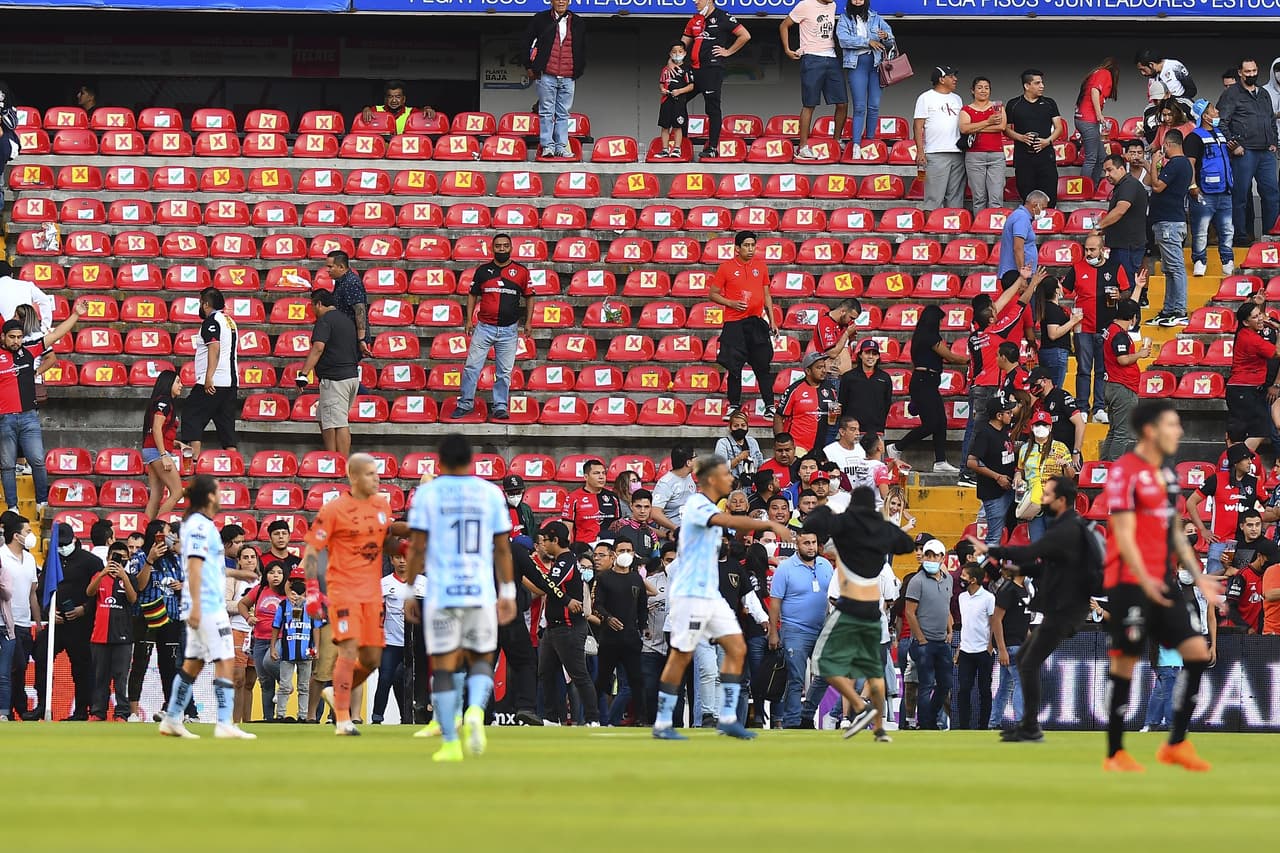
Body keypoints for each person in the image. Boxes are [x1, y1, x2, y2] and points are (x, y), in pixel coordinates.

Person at [1098, 399, 1221, 772]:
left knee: (1198, 652)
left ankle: (1176, 744)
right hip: (1129, 582)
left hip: (1161, 581)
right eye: (1172, 425)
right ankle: (1116, 752)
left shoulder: (1167, 475)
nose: (1179, 432)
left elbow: (1174, 531)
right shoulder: (1125, 472)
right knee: (1126, 663)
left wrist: (1198, 574)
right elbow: (1123, 533)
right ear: (1151, 430)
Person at [652, 455, 794, 740]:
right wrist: (769, 525)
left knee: (737, 649)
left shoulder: (716, 511)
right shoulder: (695, 505)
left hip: (711, 594)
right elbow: (724, 519)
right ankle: (663, 721)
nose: (730, 479)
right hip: (692, 593)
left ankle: (727, 717)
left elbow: (733, 527)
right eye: (725, 475)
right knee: (681, 657)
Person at [969, 476, 1093, 742]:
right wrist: (1019, 569)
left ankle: (1030, 727)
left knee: (1027, 661)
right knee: (1027, 661)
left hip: (1067, 607)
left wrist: (992, 549)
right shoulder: (1065, 527)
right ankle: (1028, 725)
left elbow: (1031, 552)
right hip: (1064, 605)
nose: (1042, 499)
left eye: (1047, 495)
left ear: (1061, 501)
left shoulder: (1066, 529)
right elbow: (1042, 565)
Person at [301, 453, 408, 736]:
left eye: (378, 473)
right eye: (371, 474)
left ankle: (337, 693)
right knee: (348, 650)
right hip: (342, 589)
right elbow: (312, 549)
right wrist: (312, 589)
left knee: (372, 658)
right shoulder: (334, 509)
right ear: (355, 477)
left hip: (372, 593)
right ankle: (342, 718)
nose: (378, 478)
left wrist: (410, 542)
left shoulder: (381, 504)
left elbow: (385, 539)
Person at [804, 486, 913, 741]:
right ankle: (879, 729)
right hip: (873, 612)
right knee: (874, 670)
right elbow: (906, 544)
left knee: (822, 662)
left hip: (850, 607)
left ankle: (859, 706)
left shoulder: (845, 528)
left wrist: (830, 509)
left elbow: (812, 522)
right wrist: (882, 527)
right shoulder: (880, 534)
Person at [156, 477, 253, 739]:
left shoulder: (200, 525)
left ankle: (173, 718)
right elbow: (196, 565)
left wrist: (238, 574)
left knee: (193, 664)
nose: (221, 496)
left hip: (203, 602)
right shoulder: (200, 526)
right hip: (207, 603)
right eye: (218, 492)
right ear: (209, 497)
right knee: (226, 658)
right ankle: (224, 722)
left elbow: (208, 565)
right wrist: (197, 605)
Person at [0, 303, 85, 515]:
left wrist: (75, 315)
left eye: (19, 337)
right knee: (8, 465)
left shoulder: (29, 350)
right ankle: (12, 507)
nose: (16, 341)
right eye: (12, 337)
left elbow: (56, 334)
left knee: (37, 460)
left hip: (29, 417)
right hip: (4, 419)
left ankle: (42, 503)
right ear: (3, 337)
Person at [958, 267, 1038, 485]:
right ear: (992, 317)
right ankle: (968, 472)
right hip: (989, 387)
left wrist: (1020, 279)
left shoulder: (975, 331)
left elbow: (1001, 302)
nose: (997, 309)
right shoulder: (996, 333)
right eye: (993, 310)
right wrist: (1030, 284)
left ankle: (972, 470)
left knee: (978, 428)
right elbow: (1019, 307)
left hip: (976, 386)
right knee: (981, 429)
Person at [453, 234, 533, 422]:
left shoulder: (521, 271)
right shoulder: (482, 271)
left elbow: (530, 296)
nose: (502, 249)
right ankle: (465, 404)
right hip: (484, 328)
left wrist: (528, 322)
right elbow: (472, 295)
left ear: (511, 248)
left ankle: (500, 407)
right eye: (498, 246)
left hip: (509, 330)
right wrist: (468, 320)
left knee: (504, 372)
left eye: (505, 246)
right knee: (472, 367)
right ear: (493, 248)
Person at [1060, 233, 1137, 420]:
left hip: (1106, 328)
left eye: (1092, 249)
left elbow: (1127, 290)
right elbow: (1062, 291)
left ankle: (1100, 408)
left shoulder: (1115, 267)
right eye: (1086, 249)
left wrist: (1120, 296)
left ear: (1103, 250)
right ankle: (1082, 408)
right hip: (1082, 327)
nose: (1088, 253)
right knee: (1084, 369)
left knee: (1103, 370)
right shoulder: (1077, 268)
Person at [531, 521, 600, 726]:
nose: (543, 545)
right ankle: (552, 717)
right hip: (554, 627)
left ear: (555, 540)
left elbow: (548, 585)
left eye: (545, 540)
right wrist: (565, 599)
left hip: (568, 627)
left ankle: (593, 719)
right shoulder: (563, 561)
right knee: (546, 673)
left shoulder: (565, 561)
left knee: (579, 674)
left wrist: (526, 571)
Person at [889, 304, 969, 472]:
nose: (940, 324)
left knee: (941, 421)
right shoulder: (929, 336)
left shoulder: (920, 334)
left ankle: (940, 461)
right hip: (924, 381)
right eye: (939, 321)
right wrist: (970, 361)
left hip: (928, 381)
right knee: (932, 423)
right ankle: (897, 447)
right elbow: (950, 356)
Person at [28, 523, 96, 720]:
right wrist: (48, 611)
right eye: (60, 544)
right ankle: (42, 705)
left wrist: (84, 609)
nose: (63, 547)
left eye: (66, 544)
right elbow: (41, 591)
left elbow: (100, 591)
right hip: (56, 623)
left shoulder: (90, 562)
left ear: (75, 540)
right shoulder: (51, 560)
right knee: (41, 655)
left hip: (80, 625)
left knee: (81, 667)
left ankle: (82, 710)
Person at [767, 531, 834, 729]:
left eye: (814, 542)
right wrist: (773, 631)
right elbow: (775, 602)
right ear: (797, 544)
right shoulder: (785, 568)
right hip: (794, 629)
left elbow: (833, 595)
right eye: (806, 543)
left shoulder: (825, 565)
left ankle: (807, 715)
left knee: (826, 673)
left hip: (822, 629)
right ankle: (792, 722)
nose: (811, 547)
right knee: (796, 677)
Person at [125, 520, 188, 723]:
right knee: (140, 663)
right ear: (158, 535)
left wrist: (181, 586)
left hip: (171, 618)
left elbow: (183, 584)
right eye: (168, 533)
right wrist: (150, 561)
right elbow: (139, 587)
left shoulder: (174, 560)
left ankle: (170, 709)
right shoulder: (140, 557)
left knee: (169, 664)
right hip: (146, 616)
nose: (172, 537)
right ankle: (133, 711)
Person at [710, 231, 777, 419]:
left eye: (752, 245)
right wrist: (730, 303)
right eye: (746, 245)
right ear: (737, 248)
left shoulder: (761, 266)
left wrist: (772, 320)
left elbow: (766, 295)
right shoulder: (726, 268)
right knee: (734, 367)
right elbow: (712, 293)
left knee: (762, 366)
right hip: (734, 324)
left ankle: (770, 405)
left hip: (756, 322)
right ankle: (734, 406)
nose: (750, 249)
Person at [1219, 57, 1279, 243]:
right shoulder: (1231, 94)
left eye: (1254, 71)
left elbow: (1271, 120)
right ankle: (1241, 237)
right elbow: (1221, 123)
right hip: (1245, 152)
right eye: (1248, 72)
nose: (1252, 74)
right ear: (1240, 73)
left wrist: (1273, 141)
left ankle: (1272, 236)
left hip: (1265, 152)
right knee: (1241, 196)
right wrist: (1233, 145)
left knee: (1272, 194)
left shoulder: (1263, 93)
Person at [592, 532, 648, 726]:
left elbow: (642, 606)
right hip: (610, 639)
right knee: (602, 680)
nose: (626, 554)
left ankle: (640, 718)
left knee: (636, 679)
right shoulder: (605, 578)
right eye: (622, 550)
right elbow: (597, 605)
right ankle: (593, 716)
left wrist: (644, 627)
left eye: (629, 551)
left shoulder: (636, 579)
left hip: (631, 638)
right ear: (614, 554)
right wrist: (608, 618)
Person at [682, 0, 751, 160]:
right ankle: (683, 143)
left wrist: (728, 51)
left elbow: (745, 35)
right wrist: (672, 59)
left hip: (711, 70)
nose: (695, 1)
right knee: (678, 99)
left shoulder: (722, 16)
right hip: (694, 70)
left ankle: (712, 147)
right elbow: (683, 42)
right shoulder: (695, 19)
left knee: (712, 108)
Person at [780, 0, 846, 160]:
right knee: (809, 104)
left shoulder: (833, 5)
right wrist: (787, 50)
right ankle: (802, 147)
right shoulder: (805, 5)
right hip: (811, 57)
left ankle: (837, 140)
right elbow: (784, 25)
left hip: (831, 57)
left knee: (842, 102)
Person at [178, 287, 238, 461]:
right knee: (226, 424)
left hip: (215, 381)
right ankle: (233, 463)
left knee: (191, 414)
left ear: (205, 304)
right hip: (231, 382)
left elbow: (214, 347)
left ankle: (194, 459)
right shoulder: (230, 321)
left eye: (200, 303)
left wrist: (208, 377)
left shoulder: (211, 322)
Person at [298, 288, 360, 455]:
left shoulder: (325, 320)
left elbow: (318, 347)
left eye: (312, 305)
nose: (312, 310)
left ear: (319, 303)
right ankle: (332, 457)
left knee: (339, 422)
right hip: (351, 377)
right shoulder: (347, 320)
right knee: (323, 417)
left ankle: (342, 464)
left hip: (336, 380)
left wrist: (303, 374)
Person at [524, 0, 587, 158]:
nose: (561, 1)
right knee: (546, 112)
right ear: (551, 1)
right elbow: (525, 42)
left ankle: (561, 147)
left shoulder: (578, 22)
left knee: (563, 113)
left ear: (569, 1)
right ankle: (547, 146)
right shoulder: (540, 19)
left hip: (568, 76)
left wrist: (578, 70)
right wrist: (529, 66)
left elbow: (582, 47)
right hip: (547, 74)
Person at [1186, 442, 1260, 572]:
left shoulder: (1254, 482)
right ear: (1236, 462)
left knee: (1241, 582)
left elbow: (1269, 509)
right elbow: (1190, 502)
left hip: (1245, 544)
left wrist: (1261, 528)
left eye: (1250, 459)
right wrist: (1203, 530)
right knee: (1215, 585)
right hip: (1220, 542)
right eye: (1246, 459)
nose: (1250, 462)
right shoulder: (1216, 479)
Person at [1145, 129, 1193, 327]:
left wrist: (1155, 163)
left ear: (1168, 144)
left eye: (1163, 145)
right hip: (1168, 222)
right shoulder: (1182, 165)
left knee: (1176, 268)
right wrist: (1151, 166)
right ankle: (1168, 309)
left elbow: (1157, 186)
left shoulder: (1177, 163)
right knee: (1170, 269)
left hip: (1169, 223)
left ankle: (1179, 310)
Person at [904, 538, 953, 731]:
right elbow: (909, 612)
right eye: (928, 555)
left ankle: (930, 718)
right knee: (925, 685)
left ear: (942, 558)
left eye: (935, 555)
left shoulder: (948, 579)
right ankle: (926, 724)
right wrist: (921, 639)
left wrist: (949, 630)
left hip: (941, 640)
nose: (931, 559)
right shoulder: (917, 581)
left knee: (945, 684)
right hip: (924, 642)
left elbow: (946, 607)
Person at [86, 539, 136, 722]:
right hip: (99, 636)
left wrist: (123, 576)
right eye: (115, 558)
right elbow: (89, 593)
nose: (118, 562)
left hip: (123, 636)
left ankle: (121, 712)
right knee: (100, 677)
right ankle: (98, 712)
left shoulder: (129, 578)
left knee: (121, 678)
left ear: (127, 560)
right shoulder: (99, 576)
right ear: (108, 558)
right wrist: (102, 574)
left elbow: (132, 599)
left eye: (123, 559)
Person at [1185, 99, 1236, 277]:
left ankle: (1228, 261)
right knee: (1200, 230)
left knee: (1227, 229)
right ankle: (1199, 261)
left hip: (1225, 191)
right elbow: (1189, 163)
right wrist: (1192, 185)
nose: (1217, 112)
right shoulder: (1194, 137)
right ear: (1205, 116)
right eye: (1213, 110)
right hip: (1204, 193)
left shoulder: (1220, 133)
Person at [836, 0, 894, 148]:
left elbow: (891, 41)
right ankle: (856, 144)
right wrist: (868, 41)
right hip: (856, 65)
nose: (857, 2)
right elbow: (843, 40)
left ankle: (869, 142)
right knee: (860, 107)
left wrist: (886, 36)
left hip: (876, 65)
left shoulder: (876, 17)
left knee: (874, 106)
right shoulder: (844, 18)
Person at [1099, 300, 1151, 461]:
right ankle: (1113, 468)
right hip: (1122, 387)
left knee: (1114, 431)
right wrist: (1140, 354)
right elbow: (1122, 359)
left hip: (1112, 385)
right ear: (1133, 318)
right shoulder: (1119, 334)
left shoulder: (1111, 329)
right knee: (1122, 433)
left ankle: (1103, 468)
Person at [1004, 69, 1064, 207]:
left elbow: (1059, 128)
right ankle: (1031, 226)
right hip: (1023, 158)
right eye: (1037, 83)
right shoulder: (1014, 104)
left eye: (1042, 82)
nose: (1042, 86)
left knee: (1049, 197)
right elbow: (1005, 129)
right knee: (1028, 198)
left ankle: (1046, 225)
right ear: (1027, 85)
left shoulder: (1049, 103)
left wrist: (1046, 141)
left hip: (1046, 157)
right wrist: (1021, 138)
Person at [1226, 302, 1280, 453]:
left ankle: (1236, 465)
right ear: (1245, 322)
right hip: (1244, 390)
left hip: (1240, 390)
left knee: (1241, 433)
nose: (1261, 318)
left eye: (1260, 314)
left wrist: (1258, 304)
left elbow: (1246, 314)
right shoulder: (1251, 339)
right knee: (1261, 430)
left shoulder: (1243, 333)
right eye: (1255, 317)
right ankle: (1239, 462)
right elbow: (1277, 352)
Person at [1016, 410, 1075, 541]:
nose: (1041, 428)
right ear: (1031, 427)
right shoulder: (1025, 449)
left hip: (1054, 503)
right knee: (1037, 543)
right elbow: (1020, 469)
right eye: (1037, 425)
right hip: (1034, 503)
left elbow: (1070, 475)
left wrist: (1066, 465)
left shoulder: (1061, 447)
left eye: (1044, 425)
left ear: (1050, 427)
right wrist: (1017, 476)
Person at [1, 513, 39, 718]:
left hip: (25, 623)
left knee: (20, 669)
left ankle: (16, 709)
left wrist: (38, 620)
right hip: (6, 622)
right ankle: (19, 708)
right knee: (13, 667)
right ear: (16, 535)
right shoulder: (1, 556)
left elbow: (32, 592)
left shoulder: (31, 559)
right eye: (28, 531)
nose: (31, 535)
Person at [238, 560, 286, 720]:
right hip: (259, 639)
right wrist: (248, 618)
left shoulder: (287, 591)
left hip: (279, 638)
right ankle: (268, 718)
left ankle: (286, 684)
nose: (276, 576)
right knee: (265, 682)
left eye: (279, 573)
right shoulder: (259, 590)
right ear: (266, 575)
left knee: (269, 662)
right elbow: (242, 604)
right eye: (272, 573)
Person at [968, 397, 1019, 547]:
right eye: (1008, 412)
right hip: (994, 493)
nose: (1012, 415)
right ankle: (987, 569)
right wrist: (997, 477)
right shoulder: (985, 433)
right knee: (994, 538)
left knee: (1010, 531)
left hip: (1009, 490)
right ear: (999, 416)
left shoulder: (1003, 431)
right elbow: (971, 461)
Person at [913, 64, 965, 211]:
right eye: (951, 76)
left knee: (955, 197)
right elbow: (917, 126)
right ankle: (931, 229)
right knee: (934, 198)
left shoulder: (957, 98)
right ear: (941, 79)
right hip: (935, 153)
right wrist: (920, 151)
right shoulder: (925, 97)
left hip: (958, 152)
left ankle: (952, 229)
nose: (955, 79)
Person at [988, 559, 1031, 730]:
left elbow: (1022, 621)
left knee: (1006, 685)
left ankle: (994, 722)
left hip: (1018, 643)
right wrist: (1002, 649)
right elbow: (996, 620)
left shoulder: (1023, 589)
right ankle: (1021, 722)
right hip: (1011, 644)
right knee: (1022, 681)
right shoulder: (1007, 589)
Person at [270, 580, 321, 722]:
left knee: (304, 687)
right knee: (285, 686)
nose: (296, 596)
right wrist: (273, 647)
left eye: (300, 593)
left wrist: (317, 647)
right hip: (287, 652)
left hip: (306, 652)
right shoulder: (283, 605)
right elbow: (275, 626)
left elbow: (317, 627)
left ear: (305, 593)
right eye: (294, 593)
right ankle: (280, 715)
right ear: (289, 592)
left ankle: (303, 716)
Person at [1096, 154, 1150, 285]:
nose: (1106, 174)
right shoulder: (1122, 186)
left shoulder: (1129, 184)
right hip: (1120, 246)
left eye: (1109, 170)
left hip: (1128, 247)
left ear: (1121, 169)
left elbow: (1120, 210)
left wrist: (1098, 227)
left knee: (1127, 285)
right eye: (1105, 171)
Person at [140, 370, 185, 521]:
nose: (181, 385)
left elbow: (161, 430)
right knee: (177, 492)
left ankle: (145, 532)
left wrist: (177, 444)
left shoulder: (162, 401)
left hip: (151, 450)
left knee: (156, 495)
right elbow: (157, 428)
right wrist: (164, 455)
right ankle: (157, 528)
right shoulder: (164, 402)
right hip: (157, 452)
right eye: (178, 382)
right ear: (168, 383)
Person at [954, 561, 994, 730]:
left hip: (983, 650)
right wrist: (959, 648)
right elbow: (966, 624)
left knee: (984, 690)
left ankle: (983, 726)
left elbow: (993, 623)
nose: (961, 578)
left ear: (974, 580)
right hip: (965, 651)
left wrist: (991, 646)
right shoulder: (961, 597)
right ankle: (963, 726)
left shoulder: (988, 598)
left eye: (964, 576)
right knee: (963, 690)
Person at [959, 76, 1008, 211]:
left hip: (996, 155)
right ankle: (980, 226)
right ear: (973, 90)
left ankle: (994, 227)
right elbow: (964, 128)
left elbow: (1002, 127)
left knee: (996, 196)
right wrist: (988, 122)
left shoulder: (997, 107)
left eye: (986, 88)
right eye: (979, 87)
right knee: (979, 197)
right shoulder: (966, 109)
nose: (983, 91)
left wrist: (976, 127)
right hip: (974, 156)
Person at [776, 352, 839, 454]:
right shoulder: (794, 389)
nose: (823, 370)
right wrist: (780, 443)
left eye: (824, 366)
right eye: (819, 367)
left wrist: (835, 414)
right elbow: (779, 416)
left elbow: (833, 417)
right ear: (808, 371)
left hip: (822, 447)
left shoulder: (831, 388)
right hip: (798, 446)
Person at [227, 544, 259, 725]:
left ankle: (247, 721)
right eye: (245, 557)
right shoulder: (233, 581)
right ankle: (234, 721)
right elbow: (225, 603)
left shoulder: (263, 581)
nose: (249, 561)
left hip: (256, 634)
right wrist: (244, 607)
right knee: (238, 679)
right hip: (238, 630)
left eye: (252, 557)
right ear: (238, 561)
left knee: (250, 681)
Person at [1034, 272, 1082, 390]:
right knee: (1054, 390)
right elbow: (1053, 334)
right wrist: (1072, 321)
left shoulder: (1050, 307)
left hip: (1052, 352)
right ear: (1056, 290)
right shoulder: (1052, 308)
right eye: (1059, 284)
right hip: (1055, 353)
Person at [1076, 58, 1120, 186]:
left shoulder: (1095, 73)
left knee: (1102, 158)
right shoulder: (1104, 73)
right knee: (1091, 158)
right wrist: (1099, 114)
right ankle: (1083, 189)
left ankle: (1093, 187)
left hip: (1083, 118)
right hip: (1088, 119)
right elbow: (1094, 91)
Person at [323, 251, 372, 360]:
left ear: (341, 267)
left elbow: (360, 311)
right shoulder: (340, 281)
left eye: (330, 267)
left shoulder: (351, 283)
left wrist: (361, 339)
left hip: (350, 340)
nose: (327, 270)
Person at [838, 340, 891, 437]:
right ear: (860, 355)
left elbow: (886, 404)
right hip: (852, 431)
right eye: (867, 353)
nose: (870, 356)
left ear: (878, 356)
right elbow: (842, 403)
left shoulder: (885, 377)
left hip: (876, 430)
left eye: (874, 353)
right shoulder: (848, 377)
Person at [997, 192, 1048, 284]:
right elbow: (1018, 248)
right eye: (1043, 208)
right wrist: (1022, 277)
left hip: (1020, 274)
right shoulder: (1022, 217)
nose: (1045, 212)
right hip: (1016, 275)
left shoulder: (1022, 216)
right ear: (1035, 205)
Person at [656, 43, 695, 158]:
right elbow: (661, 83)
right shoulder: (666, 69)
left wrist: (679, 91)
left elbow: (691, 86)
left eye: (680, 51)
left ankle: (677, 149)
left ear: (685, 53)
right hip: (666, 101)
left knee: (677, 126)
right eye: (674, 52)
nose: (677, 54)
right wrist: (662, 89)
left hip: (679, 101)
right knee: (665, 126)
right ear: (670, 54)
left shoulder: (687, 69)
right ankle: (665, 149)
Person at [360, 80, 435, 134]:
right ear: (385, 99)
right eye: (390, 97)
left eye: (398, 97)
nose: (394, 100)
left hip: (405, 151)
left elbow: (423, 112)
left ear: (404, 99)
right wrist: (366, 109)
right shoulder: (376, 110)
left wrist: (427, 109)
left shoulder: (412, 112)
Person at [0, 259, 55, 331]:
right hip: (27, 333)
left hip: (3, 334)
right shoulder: (27, 285)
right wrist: (45, 327)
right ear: (12, 274)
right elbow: (45, 300)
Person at [813, 297, 862, 377]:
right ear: (843, 312)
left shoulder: (846, 324)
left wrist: (851, 339)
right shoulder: (825, 323)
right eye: (851, 318)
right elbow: (832, 353)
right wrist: (846, 334)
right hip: (831, 376)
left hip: (845, 376)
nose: (852, 321)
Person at [652, 445, 696, 531]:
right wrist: (675, 529)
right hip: (674, 535)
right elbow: (655, 513)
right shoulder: (665, 483)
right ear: (688, 462)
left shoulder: (688, 476)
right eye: (695, 457)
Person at [715, 409, 764, 482]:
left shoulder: (752, 442)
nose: (740, 428)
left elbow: (760, 464)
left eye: (743, 425)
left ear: (747, 427)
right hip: (733, 488)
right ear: (730, 427)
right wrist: (738, 458)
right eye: (736, 426)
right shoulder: (723, 443)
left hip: (753, 486)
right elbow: (719, 468)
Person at [502, 474, 538, 543]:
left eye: (518, 492)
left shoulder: (526, 509)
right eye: (511, 493)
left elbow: (532, 531)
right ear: (505, 493)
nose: (515, 496)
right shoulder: (499, 511)